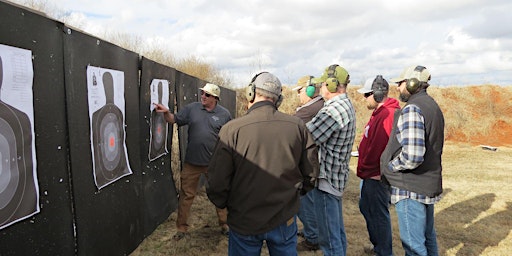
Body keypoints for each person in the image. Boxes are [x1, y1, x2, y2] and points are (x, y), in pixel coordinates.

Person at [206, 72, 319, 256]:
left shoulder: (231, 130)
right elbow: (311, 172)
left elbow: (217, 181)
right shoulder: (297, 127)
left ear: (250, 93)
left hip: (243, 219)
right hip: (284, 217)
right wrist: (293, 197)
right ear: (279, 99)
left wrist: (227, 205)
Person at [153, 83, 231, 241]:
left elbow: (229, 137)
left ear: (215, 98)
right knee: (186, 195)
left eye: (207, 95)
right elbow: (173, 119)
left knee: (220, 193)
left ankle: (225, 225)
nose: (202, 96)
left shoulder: (224, 114)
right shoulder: (192, 109)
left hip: (214, 164)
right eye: (202, 93)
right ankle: (181, 228)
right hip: (192, 163)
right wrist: (166, 112)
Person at [381, 65, 445, 256]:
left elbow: (413, 156)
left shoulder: (412, 109)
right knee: (428, 239)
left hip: (410, 188)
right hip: (425, 184)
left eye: (400, 83)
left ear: (411, 83)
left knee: (414, 247)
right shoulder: (432, 105)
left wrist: (391, 167)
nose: (398, 88)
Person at [306, 64, 356, 256]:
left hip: (327, 181)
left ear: (333, 85)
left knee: (329, 239)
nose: (321, 88)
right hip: (334, 177)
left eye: (324, 84)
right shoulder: (342, 105)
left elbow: (308, 136)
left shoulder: (334, 109)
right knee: (336, 233)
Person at [357, 75, 400, 256]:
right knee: (367, 207)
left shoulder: (387, 114)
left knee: (378, 214)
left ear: (376, 94)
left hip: (375, 174)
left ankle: (383, 251)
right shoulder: (379, 112)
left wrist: (374, 170)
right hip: (370, 172)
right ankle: (379, 247)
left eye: (367, 94)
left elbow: (380, 147)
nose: (364, 98)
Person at [292, 75, 324, 251]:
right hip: (314, 161)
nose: (298, 95)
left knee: (304, 201)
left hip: (307, 163)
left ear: (310, 90)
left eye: (300, 91)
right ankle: (312, 231)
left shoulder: (309, 109)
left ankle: (313, 237)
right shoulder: (318, 106)